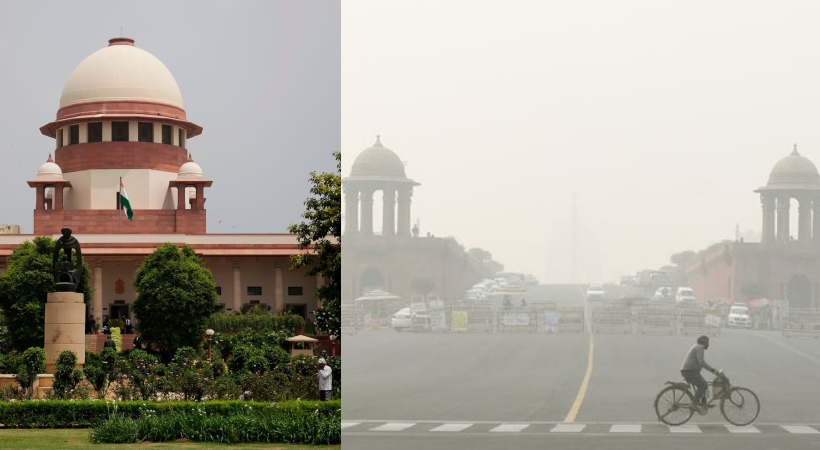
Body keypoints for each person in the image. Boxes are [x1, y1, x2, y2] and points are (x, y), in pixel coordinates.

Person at [680, 335, 722, 414]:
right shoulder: (700, 348)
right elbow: (702, 362)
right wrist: (713, 370)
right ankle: (693, 404)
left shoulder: (696, 346)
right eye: (708, 343)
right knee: (703, 385)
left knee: (703, 385)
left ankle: (703, 404)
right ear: (705, 343)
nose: (708, 345)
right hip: (689, 371)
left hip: (690, 371)